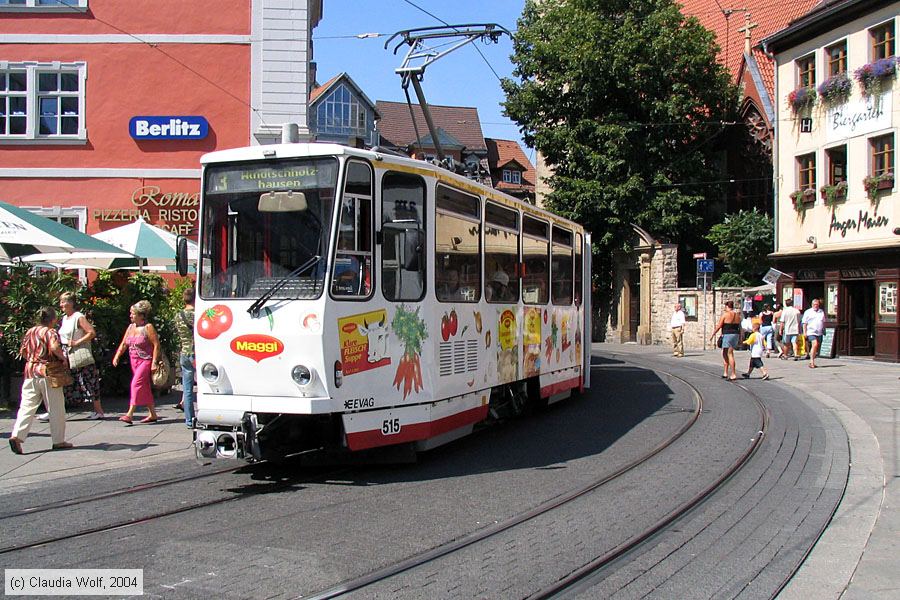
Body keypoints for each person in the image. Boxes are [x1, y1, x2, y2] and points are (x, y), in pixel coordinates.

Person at [8, 307, 73, 454]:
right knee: (55, 407)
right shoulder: (50, 332)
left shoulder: (30, 332)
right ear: (53, 319)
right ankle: (58, 440)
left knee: (27, 406)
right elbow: (55, 347)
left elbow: (23, 352)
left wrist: (33, 359)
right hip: (48, 372)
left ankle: (17, 436)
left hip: (30, 372)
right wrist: (63, 358)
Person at [112, 300, 160, 425]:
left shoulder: (148, 327)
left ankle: (130, 413)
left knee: (136, 384)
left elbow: (156, 345)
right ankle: (153, 414)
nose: (130, 316)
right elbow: (124, 344)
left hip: (145, 360)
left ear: (141, 315)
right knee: (144, 387)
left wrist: (154, 362)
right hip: (134, 361)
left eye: (133, 314)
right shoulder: (130, 327)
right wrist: (117, 356)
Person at [58, 292, 104, 419]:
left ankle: (98, 410)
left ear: (71, 303)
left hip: (77, 352)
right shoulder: (64, 318)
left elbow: (91, 332)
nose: (61, 304)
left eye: (64, 301)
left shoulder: (78, 317)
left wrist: (77, 342)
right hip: (66, 352)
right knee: (65, 382)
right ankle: (56, 411)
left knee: (89, 379)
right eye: (60, 302)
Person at [173, 286, 196, 427]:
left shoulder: (178, 315)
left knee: (187, 389)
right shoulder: (198, 314)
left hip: (184, 352)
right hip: (197, 353)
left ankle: (189, 419)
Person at [710, 300, 742, 380]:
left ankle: (733, 373)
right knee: (725, 352)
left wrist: (713, 334)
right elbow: (740, 327)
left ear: (727, 307)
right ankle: (725, 372)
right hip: (735, 334)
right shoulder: (738, 315)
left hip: (728, 334)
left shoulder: (725, 315)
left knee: (729, 354)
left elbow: (719, 326)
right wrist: (741, 337)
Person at [802, 298, 826, 368]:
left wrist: (824, 329)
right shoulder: (808, 312)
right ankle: (811, 361)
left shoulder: (821, 312)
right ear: (812, 305)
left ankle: (812, 358)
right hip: (811, 331)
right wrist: (805, 332)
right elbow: (804, 323)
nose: (816, 306)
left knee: (816, 346)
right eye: (814, 305)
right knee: (814, 344)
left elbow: (823, 322)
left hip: (819, 332)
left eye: (817, 305)